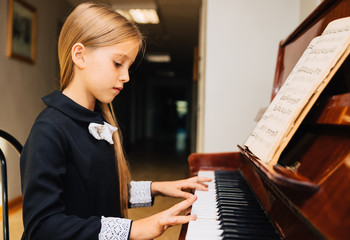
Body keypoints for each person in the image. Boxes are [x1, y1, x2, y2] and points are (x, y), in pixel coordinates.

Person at [20, 2, 210, 239]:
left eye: (129, 67)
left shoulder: (97, 121)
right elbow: (43, 227)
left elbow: (102, 191)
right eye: (118, 63)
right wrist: (133, 229)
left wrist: (157, 188)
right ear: (80, 55)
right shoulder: (49, 130)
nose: (126, 76)